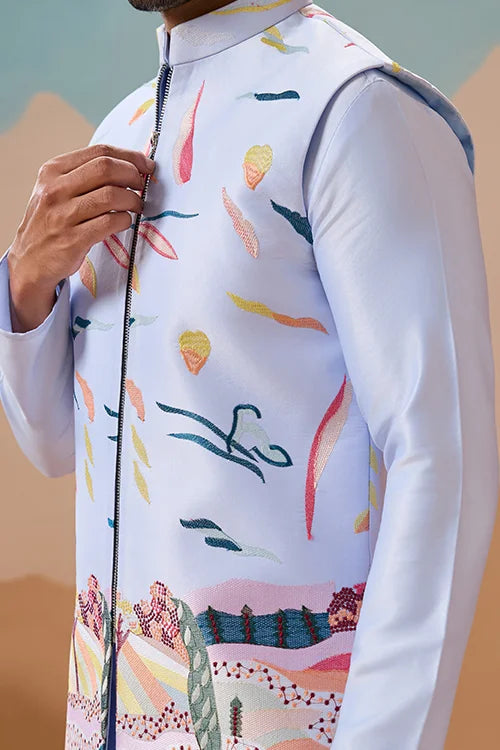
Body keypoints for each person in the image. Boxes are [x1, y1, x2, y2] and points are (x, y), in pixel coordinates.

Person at [0, 0, 498, 748]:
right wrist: (24, 285)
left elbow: (444, 456)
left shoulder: (354, 111)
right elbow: (62, 447)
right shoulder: (120, 135)